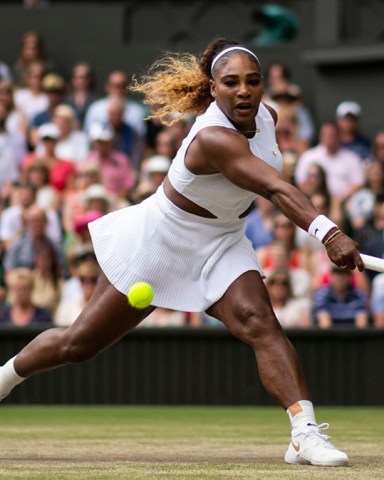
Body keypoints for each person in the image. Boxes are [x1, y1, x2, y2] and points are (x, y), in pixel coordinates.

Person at [0, 37, 364, 467]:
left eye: (253, 81)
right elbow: (273, 187)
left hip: (223, 241)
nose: (243, 91)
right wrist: (328, 232)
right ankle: (3, 379)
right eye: (231, 83)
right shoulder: (211, 137)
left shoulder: (267, 115)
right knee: (78, 344)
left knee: (260, 322)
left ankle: (304, 434)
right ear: (214, 88)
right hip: (159, 244)